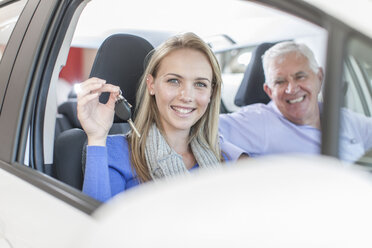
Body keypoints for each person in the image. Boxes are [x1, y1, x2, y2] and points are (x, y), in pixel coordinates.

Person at [77, 33, 225, 202]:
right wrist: (96, 137)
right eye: (174, 81)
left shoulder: (219, 155)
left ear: (211, 93)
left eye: (200, 84)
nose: (186, 96)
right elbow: (97, 221)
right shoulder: (115, 151)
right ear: (151, 84)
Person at [219, 41, 372, 162]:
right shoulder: (258, 120)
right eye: (280, 81)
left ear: (319, 77)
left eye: (300, 76)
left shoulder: (343, 119)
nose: (291, 89)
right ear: (269, 91)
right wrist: (241, 161)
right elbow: (201, 130)